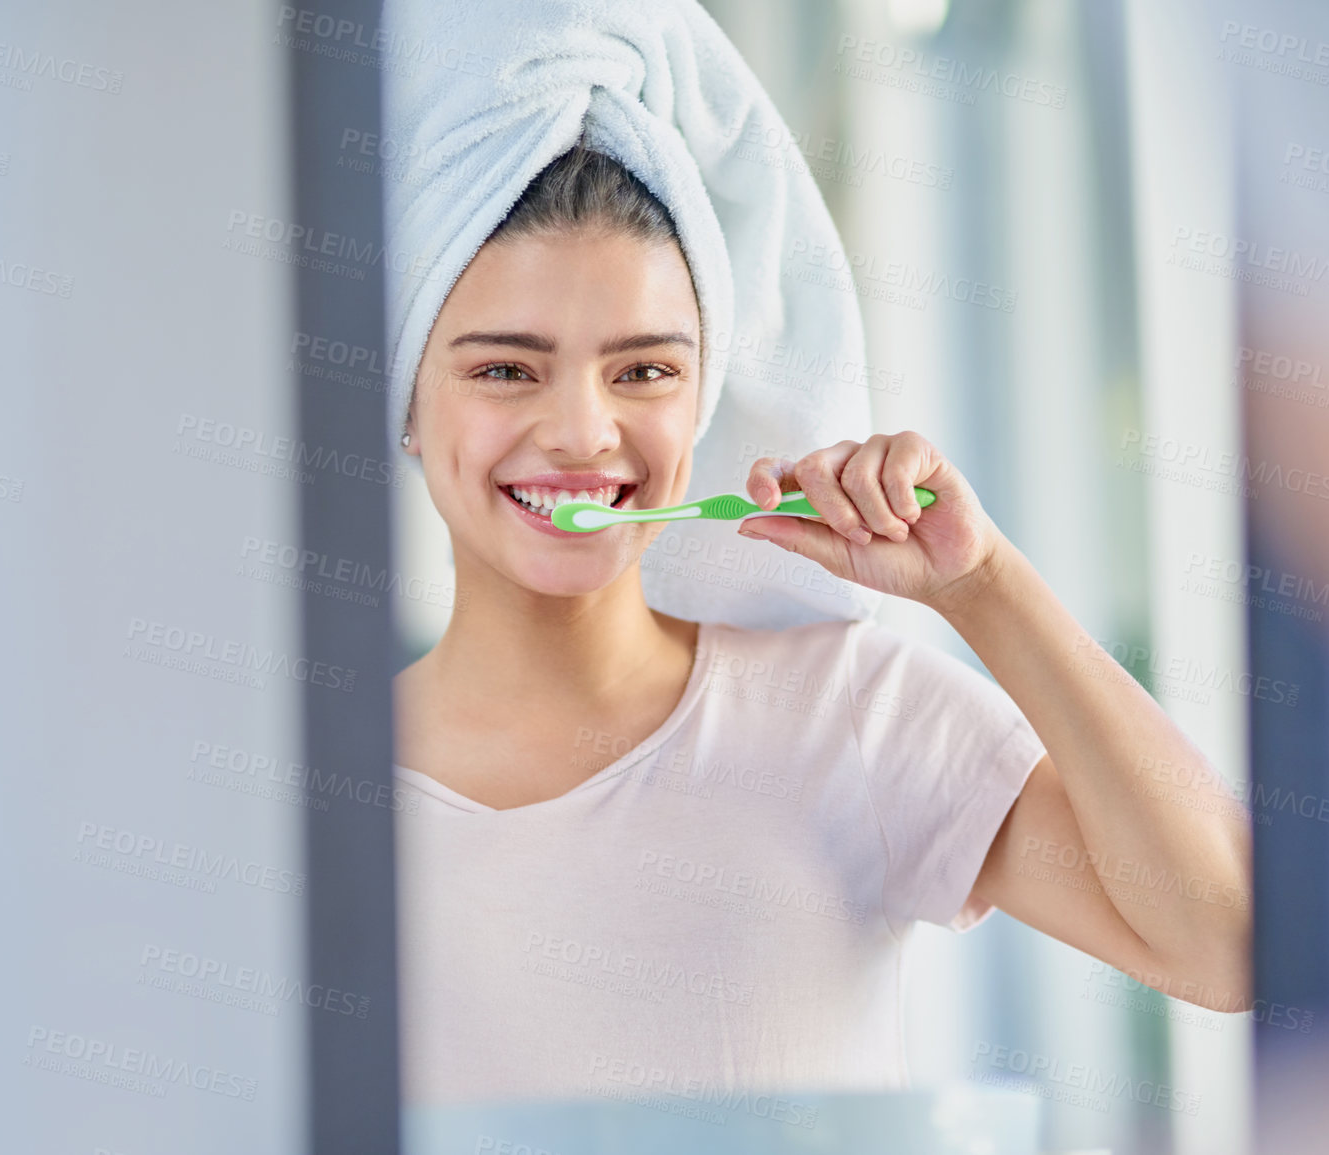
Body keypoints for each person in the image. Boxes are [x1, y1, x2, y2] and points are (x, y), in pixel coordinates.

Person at [390, 143, 1251, 1106]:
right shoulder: (297, 787)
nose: (583, 431)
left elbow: (1227, 944)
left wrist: (982, 584)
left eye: (643, 371)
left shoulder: (848, 708)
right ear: (407, 404)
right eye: (506, 369)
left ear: (701, 396)